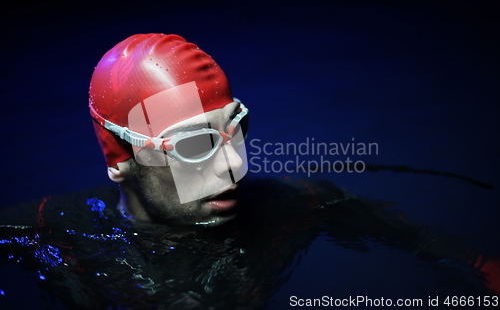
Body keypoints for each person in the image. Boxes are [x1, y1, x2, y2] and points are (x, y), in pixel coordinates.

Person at [0, 34, 498, 309]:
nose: (235, 166)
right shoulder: (53, 232)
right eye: (194, 146)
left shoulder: (291, 204)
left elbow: (421, 240)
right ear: (120, 158)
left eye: (235, 130)